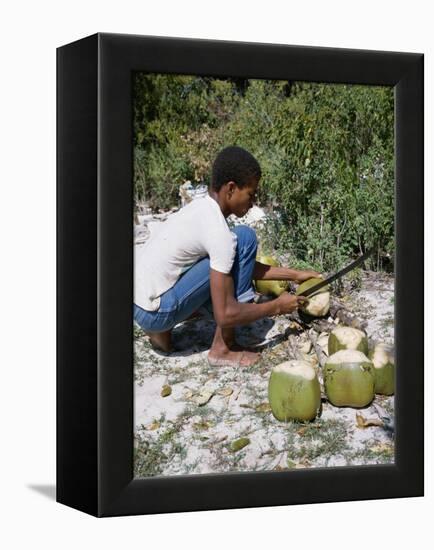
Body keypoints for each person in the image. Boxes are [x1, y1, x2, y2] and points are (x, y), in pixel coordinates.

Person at [134, 146, 319, 367]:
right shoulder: (218, 232)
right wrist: (277, 306)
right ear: (230, 189)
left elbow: (243, 265)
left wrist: (295, 275)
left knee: (239, 241)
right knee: (245, 238)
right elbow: (225, 314)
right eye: (251, 194)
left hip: (140, 303)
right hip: (157, 311)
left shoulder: (200, 208)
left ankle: (160, 331)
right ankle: (222, 348)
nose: (253, 202)